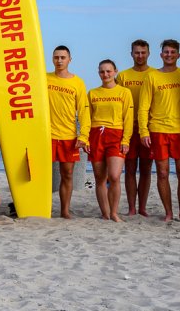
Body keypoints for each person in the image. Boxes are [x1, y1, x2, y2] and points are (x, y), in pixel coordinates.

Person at [139, 39, 180, 222]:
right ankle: (168, 212)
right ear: (161, 55)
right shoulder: (152, 76)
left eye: (172, 52)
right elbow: (143, 107)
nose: (169, 55)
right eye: (166, 52)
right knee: (162, 173)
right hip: (158, 130)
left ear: (178, 55)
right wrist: (144, 131)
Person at [46, 46, 91, 219]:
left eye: (63, 57)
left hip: (68, 135)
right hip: (46, 135)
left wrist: (84, 135)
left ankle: (64, 210)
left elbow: (84, 111)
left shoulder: (77, 83)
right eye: (56, 57)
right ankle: (45, 208)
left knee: (67, 174)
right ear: (52, 59)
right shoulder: (44, 78)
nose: (59, 60)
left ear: (69, 60)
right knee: (44, 175)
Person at [88, 59, 133, 222]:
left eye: (108, 71)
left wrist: (126, 140)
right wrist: (85, 138)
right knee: (99, 178)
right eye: (102, 71)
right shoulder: (92, 93)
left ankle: (114, 212)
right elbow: (87, 118)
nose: (105, 74)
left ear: (115, 71)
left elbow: (128, 118)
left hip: (116, 135)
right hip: (96, 135)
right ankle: (105, 213)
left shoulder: (124, 92)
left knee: (114, 176)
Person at [116, 39, 156, 216]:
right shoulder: (123, 76)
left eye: (143, 52)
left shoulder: (155, 74)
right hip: (129, 129)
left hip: (149, 128)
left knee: (146, 169)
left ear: (148, 53)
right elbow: (117, 101)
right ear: (131, 54)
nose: (140, 56)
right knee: (130, 169)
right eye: (137, 52)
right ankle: (132, 208)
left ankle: (142, 207)